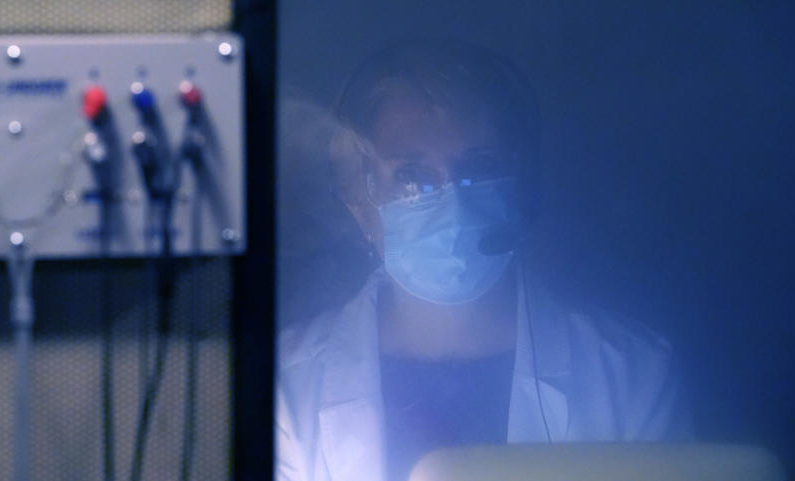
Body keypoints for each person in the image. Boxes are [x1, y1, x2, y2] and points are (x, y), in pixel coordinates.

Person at [275, 41, 691, 481]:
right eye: (412, 177)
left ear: (522, 188)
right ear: (359, 201)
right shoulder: (286, 385)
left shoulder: (631, 374)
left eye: (480, 168)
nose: (453, 202)